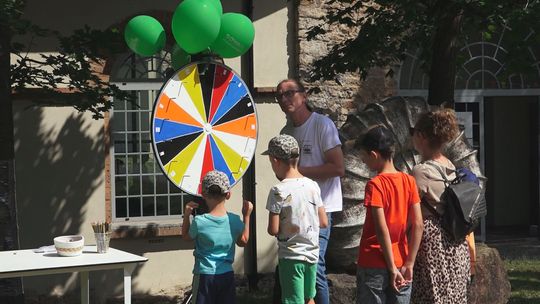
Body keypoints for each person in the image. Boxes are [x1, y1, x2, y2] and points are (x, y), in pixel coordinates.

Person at [276, 79, 344, 304]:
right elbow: (283, 174)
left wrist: (299, 173)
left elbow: (338, 168)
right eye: (280, 96)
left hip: (320, 208)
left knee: (315, 266)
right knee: (293, 266)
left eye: (290, 93)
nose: (284, 99)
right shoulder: (286, 132)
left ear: (304, 96)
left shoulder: (322, 125)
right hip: (295, 211)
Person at [355, 125, 423, 304]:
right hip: (402, 259)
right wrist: (409, 263)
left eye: (364, 158)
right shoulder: (409, 181)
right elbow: (418, 225)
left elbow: (381, 228)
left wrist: (391, 268)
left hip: (373, 261)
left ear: (374, 155)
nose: (364, 163)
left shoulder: (375, 184)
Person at [410, 109, 471, 303]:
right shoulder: (450, 165)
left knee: (431, 295)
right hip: (455, 240)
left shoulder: (421, 171)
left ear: (421, 136)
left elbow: (410, 211)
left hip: (432, 242)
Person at [264, 134, 329, 304]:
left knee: (293, 300)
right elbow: (323, 222)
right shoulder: (313, 186)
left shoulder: (278, 190)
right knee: (309, 298)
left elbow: (273, 229)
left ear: (275, 160)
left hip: (291, 257)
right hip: (312, 256)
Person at [181, 170, 253, 304]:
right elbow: (243, 241)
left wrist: (186, 215)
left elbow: (185, 236)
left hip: (204, 275)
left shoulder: (199, 221)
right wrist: (247, 215)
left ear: (203, 194)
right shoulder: (234, 221)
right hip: (226, 275)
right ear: (228, 194)